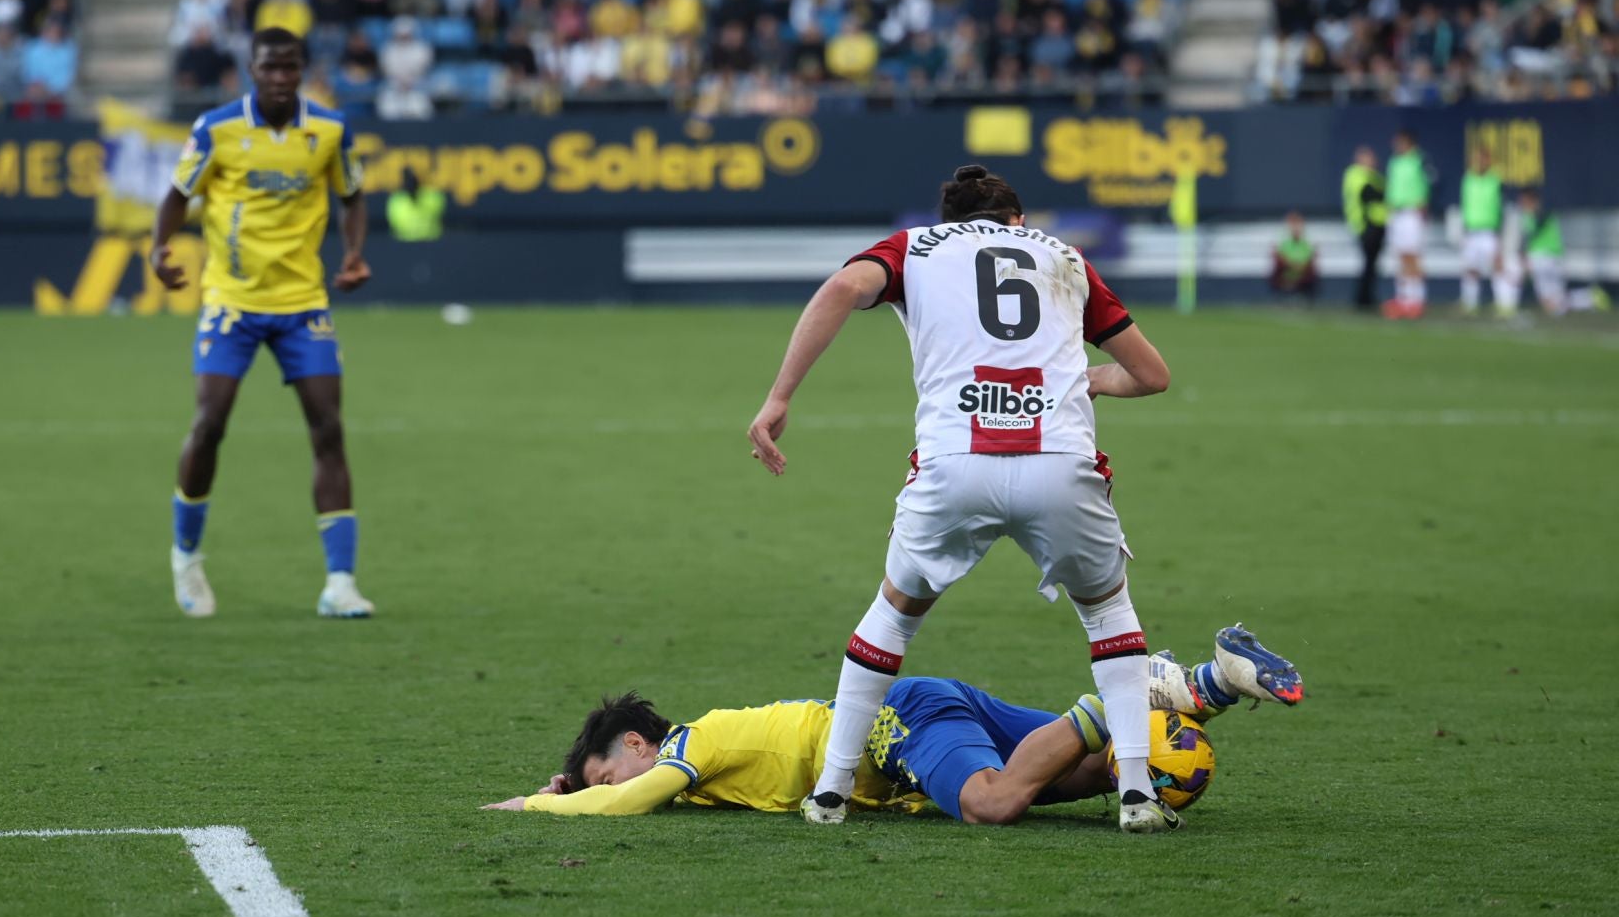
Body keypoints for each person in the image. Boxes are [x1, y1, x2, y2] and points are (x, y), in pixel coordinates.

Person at [744, 164, 1180, 834]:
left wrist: (779, 398)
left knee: (894, 613)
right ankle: (1137, 793)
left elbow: (840, 288)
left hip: (956, 465)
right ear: (1015, 220)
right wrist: (1089, 379)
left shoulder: (912, 247)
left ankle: (830, 791)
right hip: (1058, 462)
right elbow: (1153, 376)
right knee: (1107, 611)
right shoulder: (1064, 258)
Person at [482, 626, 1305, 824]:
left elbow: (629, 802)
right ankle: (1214, 679)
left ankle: (1125, 688)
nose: (612, 787)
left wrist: (537, 806)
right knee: (1086, 776)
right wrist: (567, 780)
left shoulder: (687, 746)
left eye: (602, 772)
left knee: (993, 801)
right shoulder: (708, 762)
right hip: (918, 713)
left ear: (635, 744)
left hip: (899, 724)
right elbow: (642, 795)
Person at [150, 28, 376, 620]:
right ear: (251, 69)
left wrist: (353, 253)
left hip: (303, 302)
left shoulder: (328, 129)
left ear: (302, 70)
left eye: (290, 66)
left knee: (328, 428)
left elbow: (353, 195)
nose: (281, 76)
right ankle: (186, 557)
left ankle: (340, 582)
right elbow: (178, 194)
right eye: (270, 66)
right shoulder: (218, 128)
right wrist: (158, 249)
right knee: (210, 423)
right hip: (233, 301)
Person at [1383, 129, 1431, 320]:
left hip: (1412, 211)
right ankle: (1403, 299)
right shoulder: (1394, 162)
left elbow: (1428, 184)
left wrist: (1423, 205)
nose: (1397, 145)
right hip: (1397, 212)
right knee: (1401, 256)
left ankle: (1417, 299)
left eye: (1401, 142)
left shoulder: (1419, 160)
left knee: (1413, 255)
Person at [1457, 146, 1508, 317]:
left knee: (1497, 266)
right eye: (1475, 158)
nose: (1478, 162)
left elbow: (1502, 206)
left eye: (1482, 158)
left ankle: (1504, 303)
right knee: (1470, 267)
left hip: (1489, 230)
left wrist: (1500, 230)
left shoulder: (1495, 179)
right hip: (1471, 230)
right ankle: (1470, 303)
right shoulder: (1468, 179)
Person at [1342, 146, 1387, 310]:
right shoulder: (1355, 174)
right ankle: (1362, 298)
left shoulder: (1375, 176)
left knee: (1372, 264)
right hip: (1365, 224)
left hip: (1379, 224)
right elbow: (1367, 194)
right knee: (1368, 263)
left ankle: (1367, 296)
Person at [1515, 188, 1567, 316]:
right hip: (1541, 257)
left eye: (1524, 200)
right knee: (1553, 298)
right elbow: (1526, 238)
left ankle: (1586, 299)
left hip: (1546, 256)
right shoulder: (1527, 216)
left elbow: (1538, 222)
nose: (1521, 203)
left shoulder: (1542, 212)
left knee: (1553, 297)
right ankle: (1587, 298)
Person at [386, 168, 447, 241]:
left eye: (413, 180)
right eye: (408, 181)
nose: (411, 184)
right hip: (404, 245)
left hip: (432, 242)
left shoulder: (433, 197)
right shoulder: (396, 201)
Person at [1270, 211, 1319, 302]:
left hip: (1303, 273)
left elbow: (1311, 257)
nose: (1295, 227)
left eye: (1298, 224)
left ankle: (1307, 301)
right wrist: (1292, 265)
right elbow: (1278, 257)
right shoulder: (1282, 241)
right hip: (1286, 272)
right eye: (1292, 224)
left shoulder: (1307, 241)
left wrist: (1301, 266)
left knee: (1312, 273)